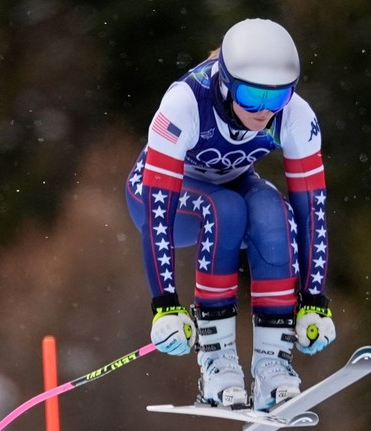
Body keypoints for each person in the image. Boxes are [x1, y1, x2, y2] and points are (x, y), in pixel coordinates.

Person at [126, 18, 336, 411]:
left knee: (274, 212)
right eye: (251, 97)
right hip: (162, 201)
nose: (263, 112)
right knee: (224, 209)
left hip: (230, 186)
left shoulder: (296, 115)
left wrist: (314, 300)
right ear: (225, 83)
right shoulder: (185, 102)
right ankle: (216, 363)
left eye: (275, 99)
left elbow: (313, 210)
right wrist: (165, 305)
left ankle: (273, 365)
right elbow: (158, 209)